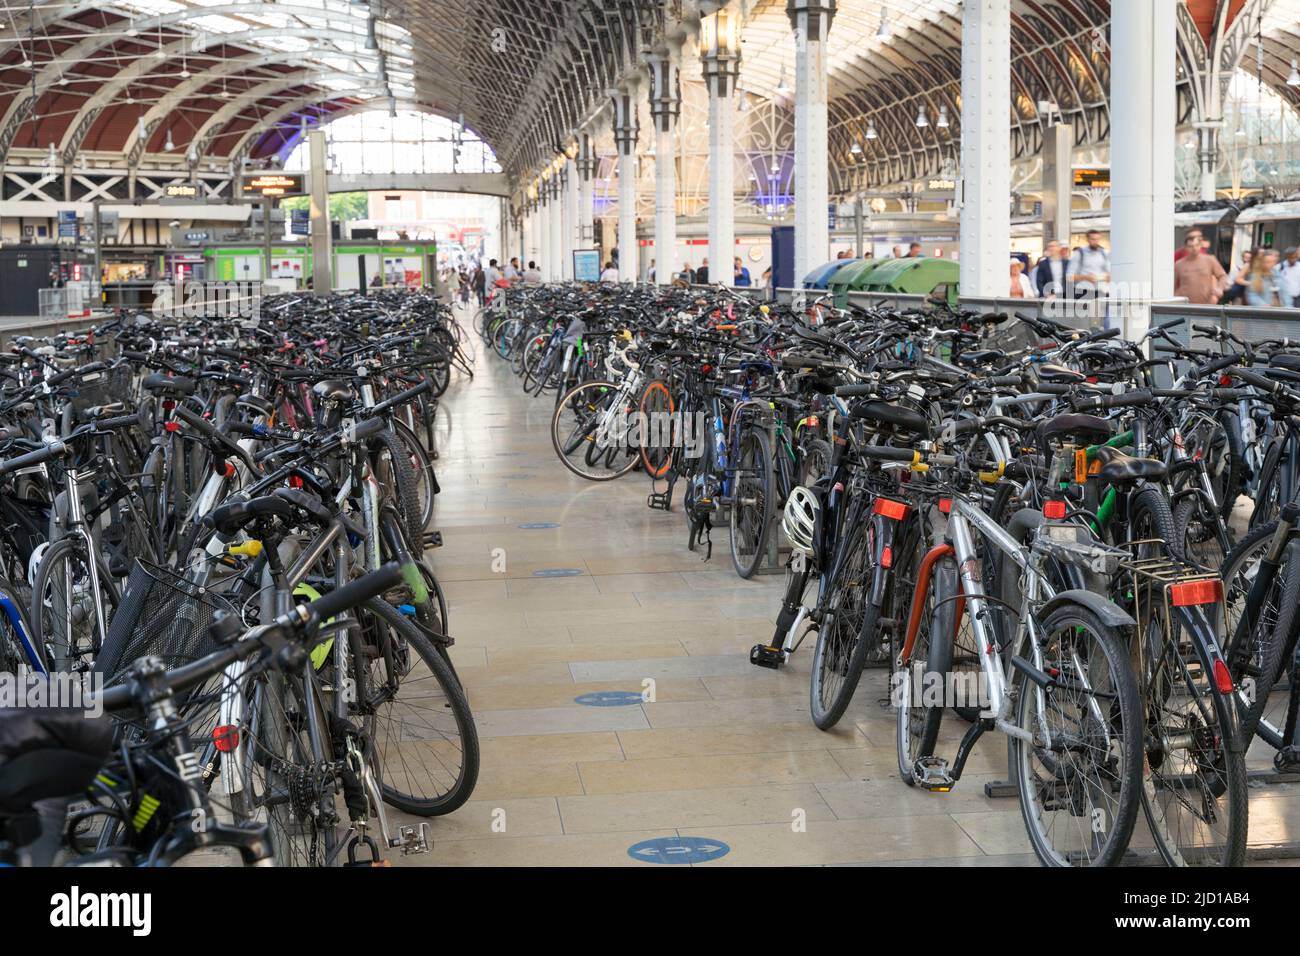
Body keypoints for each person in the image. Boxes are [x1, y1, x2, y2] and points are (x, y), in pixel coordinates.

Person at [1174, 231, 1228, 305]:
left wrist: (1219, 289)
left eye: (1197, 245)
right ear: (1186, 247)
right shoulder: (1178, 264)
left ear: (1200, 245)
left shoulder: (1210, 259)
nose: (1194, 248)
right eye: (1191, 246)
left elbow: (1223, 276)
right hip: (1185, 305)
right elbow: (1172, 284)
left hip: (1206, 304)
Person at [1067, 230, 1110, 298]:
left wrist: (1108, 277)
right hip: (1083, 292)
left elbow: (1109, 272)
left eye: (1097, 239)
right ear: (1087, 239)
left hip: (1102, 292)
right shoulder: (1079, 253)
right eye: (1093, 239)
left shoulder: (1104, 253)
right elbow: (1069, 277)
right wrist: (1086, 277)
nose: (1095, 242)